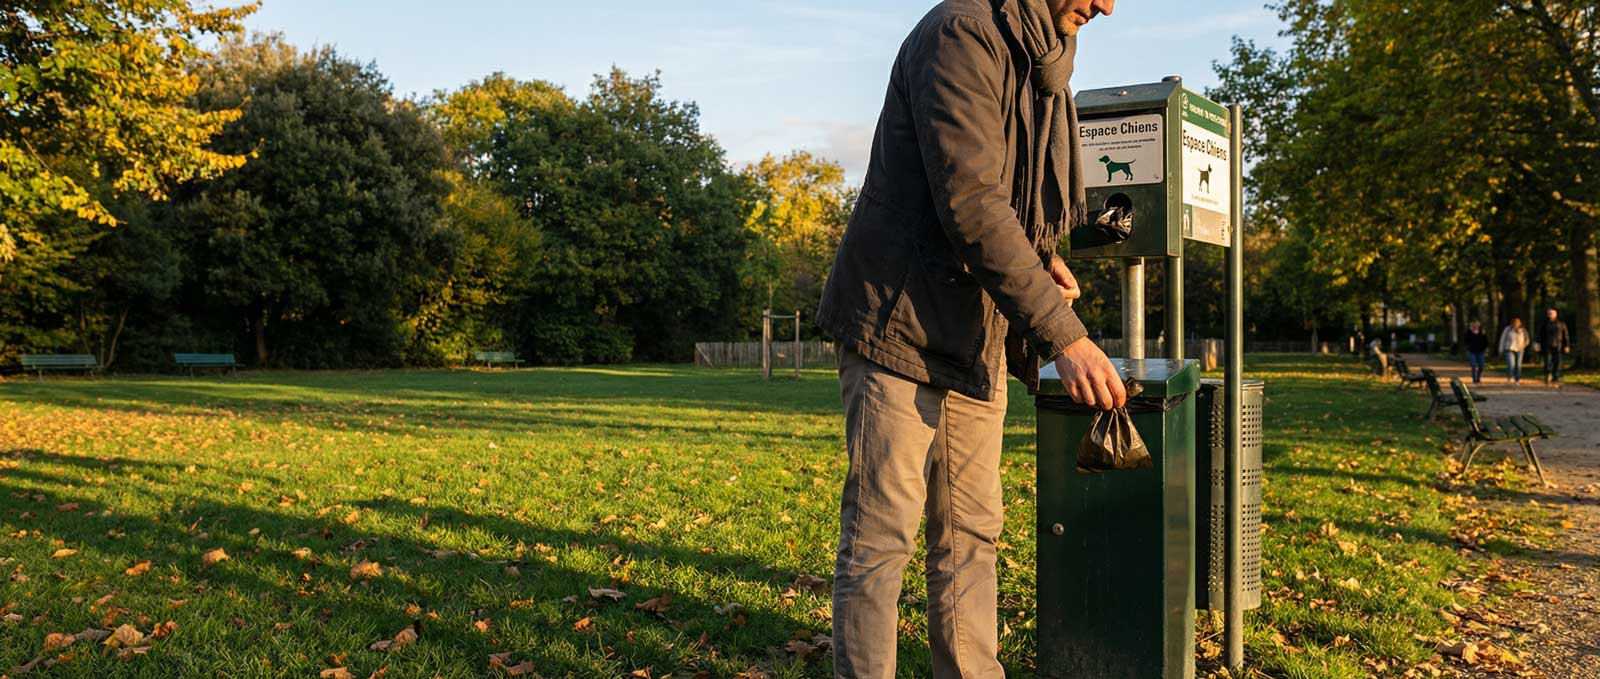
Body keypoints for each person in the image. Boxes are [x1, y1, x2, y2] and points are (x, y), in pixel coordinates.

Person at [814, 1, 1121, 676]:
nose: (1107, 4)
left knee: (971, 537)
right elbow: (972, 201)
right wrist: (1064, 334)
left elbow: (1008, 206)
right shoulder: (964, 32)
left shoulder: (1046, 61)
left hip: (974, 332)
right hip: (900, 322)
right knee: (880, 540)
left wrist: (1041, 257)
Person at [1538, 307, 1571, 384]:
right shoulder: (1544, 324)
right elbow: (1539, 335)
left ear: (1556, 314)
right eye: (1549, 313)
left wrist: (1567, 345)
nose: (1550, 315)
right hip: (1547, 346)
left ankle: (1555, 377)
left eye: (1552, 313)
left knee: (1557, 362)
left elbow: (1565, 335)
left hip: (1558, 346)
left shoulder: (1561, 324)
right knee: (1547, 362)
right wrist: (1538, 343)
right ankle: (1547, 376)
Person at [1500, 317, 1529, 385]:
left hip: (1520, 350)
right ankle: (1509, 378)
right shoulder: (1508, 329)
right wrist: (1501, 349)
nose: (1516, 324)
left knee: (1518, 365)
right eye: (1515, 322)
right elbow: (1503, 339)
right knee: (1511, 364)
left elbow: (1527, 340)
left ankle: (1517, 380)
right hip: (1509, 349)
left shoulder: (1523, 330)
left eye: (1517, 322)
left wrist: (1523, 346)